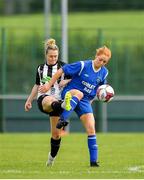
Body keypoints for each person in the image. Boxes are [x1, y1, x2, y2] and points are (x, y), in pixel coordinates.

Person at [39, 45, 112, 167]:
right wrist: (48, 85)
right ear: (96, 56)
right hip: (70, 93)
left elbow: (100, 89)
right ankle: (63, 119)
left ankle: (93, 161)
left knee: (91, 128)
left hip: (84, 100)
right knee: (78, 93)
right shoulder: (83, 65)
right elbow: (61, 71)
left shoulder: (104, 72)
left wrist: (103, 97)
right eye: (101, 59)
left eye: (105, 61)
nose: (102, 63)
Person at [24, 38, 71, 166]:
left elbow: (74, 80)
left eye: (55, 56)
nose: (53, 59)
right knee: (48, 100)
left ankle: (51, 158)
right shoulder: (40, 68)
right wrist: (29, 100)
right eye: (51, 56)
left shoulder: (64, 67)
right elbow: (36, 85)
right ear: (46, 55)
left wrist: (64, 82)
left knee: (56, 135)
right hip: (44, 100)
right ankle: (62, 105)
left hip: (58, 102)